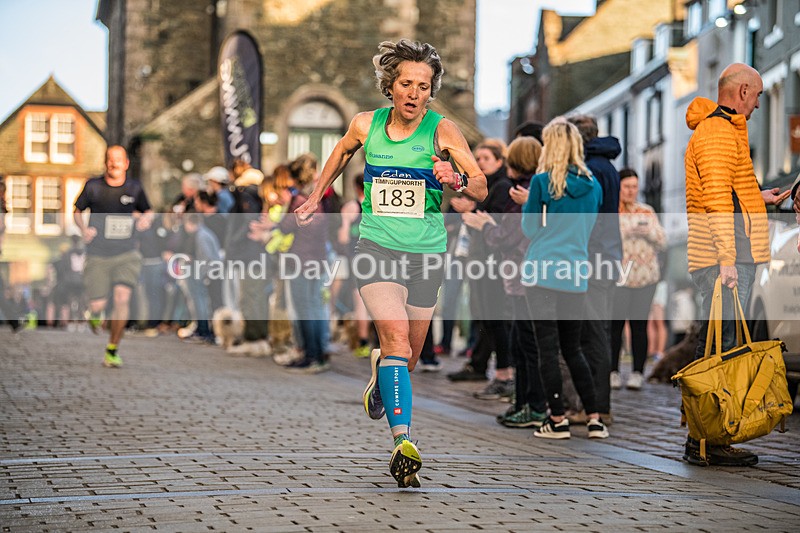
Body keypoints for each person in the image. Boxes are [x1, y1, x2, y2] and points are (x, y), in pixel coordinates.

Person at [295, 39, 487, 488]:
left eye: (423, 86)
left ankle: (383, 373)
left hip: (426, 255)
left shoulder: (443, 131)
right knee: (397, 341)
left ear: (431, 91)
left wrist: (455, 177)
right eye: (406, 84)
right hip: (377, 249)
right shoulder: (367, 124)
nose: (414, 93)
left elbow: (480, 186)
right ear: (390, 85)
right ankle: (403, 443)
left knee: (408, 358)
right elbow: (342, 152)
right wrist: (316, 194)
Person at [683, 63, 789, 466]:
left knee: (720, 345)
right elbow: (714, 200)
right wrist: (726, 260)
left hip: (729, 256)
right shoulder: (716, 132)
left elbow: (725, 192)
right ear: (743, 91)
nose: (758, 104)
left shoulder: (725, 130)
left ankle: (710, 437)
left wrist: (759, 197)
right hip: (724, 259)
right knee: (719, 349)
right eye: (758, 95)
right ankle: (706, 441)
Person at [521, 117, 608, 440]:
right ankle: (595, 419)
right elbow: (591, 227)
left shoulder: (542, 182)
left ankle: (557, 419)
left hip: (542, 271)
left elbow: (529, 228)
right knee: (574, 349)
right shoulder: (594, 185)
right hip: (575, 273)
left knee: (547, 349)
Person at [463, 136, 548, 427]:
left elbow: (507, 236)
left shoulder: (518, 191)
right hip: (528, 275)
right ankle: (524, 403)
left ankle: (531, 405)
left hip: (522, 275)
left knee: (525, 343)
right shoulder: (534, 189)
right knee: (524, 341)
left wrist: (485, 224)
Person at [565, 114, 622, 423]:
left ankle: (596, 408)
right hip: (606, 255)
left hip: (592, 257)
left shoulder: (590, 169)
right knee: (596, 331)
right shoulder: (606, 165)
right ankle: (597, 406)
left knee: (593, 334)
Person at [73, 145, 152, 367]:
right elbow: (77, 211)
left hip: (127, 253)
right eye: (110, 159)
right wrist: (84, 229)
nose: (114, 163)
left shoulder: (135, 188)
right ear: (105, 162)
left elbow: (148, 210)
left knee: (122, 298)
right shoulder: (93, 186)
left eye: (118, 159)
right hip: (98, 254)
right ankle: (94, 313)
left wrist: (146, 219)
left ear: (126, 163)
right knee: (98, 305)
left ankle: (112, 349)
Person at [609, 168, 666, 391]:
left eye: (634, 186)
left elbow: (663, 240)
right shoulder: (611, 211)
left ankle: (637, 373)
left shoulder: (646, 211)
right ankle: (612, 371)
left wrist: (647, 233)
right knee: (615, 325)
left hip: (646, 278)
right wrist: (627, 232)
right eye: (627, 186)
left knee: (639, 325)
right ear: (619, 187)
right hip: (619, 277)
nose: (631, 191)